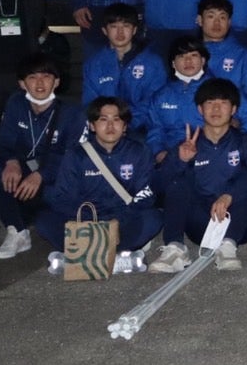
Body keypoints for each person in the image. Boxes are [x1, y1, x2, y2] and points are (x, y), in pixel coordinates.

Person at [34, 97, 162, 276]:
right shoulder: (76, 155)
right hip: (86, 220)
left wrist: (117, 220)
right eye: (103, 119)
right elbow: (63, 196)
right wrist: (89, 222)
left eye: (116, 120)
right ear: (92, 126)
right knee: (44, 221)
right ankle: (115, 258)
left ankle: (81, 258)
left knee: (153, 218)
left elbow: (145, 194)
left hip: (122, 218)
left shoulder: (139, 151)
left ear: (125, 126)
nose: (110, 126)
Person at [151, 78, 247, 273]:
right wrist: (179, 160)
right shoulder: (188, 145)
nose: (216, 109)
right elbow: (159, 185)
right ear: (200, 109)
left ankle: (228, 247)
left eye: (223, 103)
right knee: (178, 180)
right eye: (210, 103)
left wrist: (229, 195)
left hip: (238, 222)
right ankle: (175, 248)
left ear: (234, 109)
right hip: (202, 223)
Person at [0, 54, 85, 261]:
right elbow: (3, 142)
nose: (40, 83)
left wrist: (41, 174)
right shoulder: (16, 103)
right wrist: (11, 161)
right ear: (22, 83)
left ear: (56, 82)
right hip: (24, 170)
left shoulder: (72, 113)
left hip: (54, 175)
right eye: (32, 77)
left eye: (46, 76)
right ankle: (17, 231)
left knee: (51, 211)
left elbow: (72, 155)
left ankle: (40, 217)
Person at [81, 3, 167, 127]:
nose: (120, 32)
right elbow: (90, 102)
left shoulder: (153, 62)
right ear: (105, 31)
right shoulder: (93, 64)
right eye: (114, 26)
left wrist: (127, 122)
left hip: (143, 128)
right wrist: (112, 124)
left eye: (126, 26)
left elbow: (155, 100)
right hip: (106, 128)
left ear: (134, 30)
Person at [195, 0, 247, 137]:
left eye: (222, 17)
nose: (217, 23)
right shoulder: (188, 56)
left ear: (229, 22)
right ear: (199, 20)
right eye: (211, 16)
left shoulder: (245, 57)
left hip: (237, 128)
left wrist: (236, 120)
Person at [144, 36, 209, 162]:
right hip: (171, 155)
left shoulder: (218, 89)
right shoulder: (161, 96)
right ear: (173, 63)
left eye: (193, 55)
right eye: (181, 56)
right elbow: (155, 131)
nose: (188, 61)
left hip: (208, 154)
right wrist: (159, 153)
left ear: (203, 60)